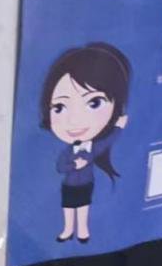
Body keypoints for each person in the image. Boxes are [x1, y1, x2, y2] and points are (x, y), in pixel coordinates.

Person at [39, 42, 131, 245]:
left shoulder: (93, 148)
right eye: (59, 107)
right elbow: (60, 166)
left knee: (83, 207)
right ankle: (67, 230)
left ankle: (82, 231)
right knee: (68, 207)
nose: (75, 121)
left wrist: (118, 127)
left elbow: (107, 141)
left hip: (86, 184)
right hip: (69, 185)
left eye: (94, 103)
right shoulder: (69, 150)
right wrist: (75, 164)